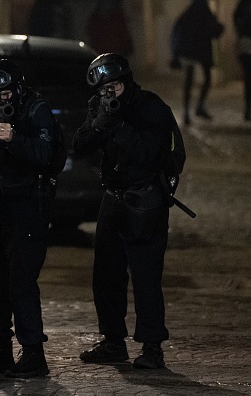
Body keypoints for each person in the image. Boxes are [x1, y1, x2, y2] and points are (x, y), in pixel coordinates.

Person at [72, 53, 175, 369]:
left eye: (114, 86)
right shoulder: (100, 107)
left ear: (126, 82)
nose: (110, 93)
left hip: (145, 201)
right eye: (104, 89)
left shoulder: (150, 107)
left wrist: (118, 127)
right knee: (105, 276)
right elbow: (79, 145)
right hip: (113, 198)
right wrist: (100, 124)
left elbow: (148, 152)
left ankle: (152, 348)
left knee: (145, 277)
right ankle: (113, 341)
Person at [0, 59, 57, 378]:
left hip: (26, 207)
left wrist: (14, 138)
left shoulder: (36, 110)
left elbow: (46, 156)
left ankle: (33, 352)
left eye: (5, 93)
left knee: (21, 282)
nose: (0, 101)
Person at [170, 0, 224, 125]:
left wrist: (176, 54)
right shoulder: (204, 14)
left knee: (191, 82)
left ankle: (189, 112)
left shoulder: (188, 15)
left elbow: (176, 34)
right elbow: (213, 31)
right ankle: (194, 110)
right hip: (199, 52)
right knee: (203, 79)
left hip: (191, 52)